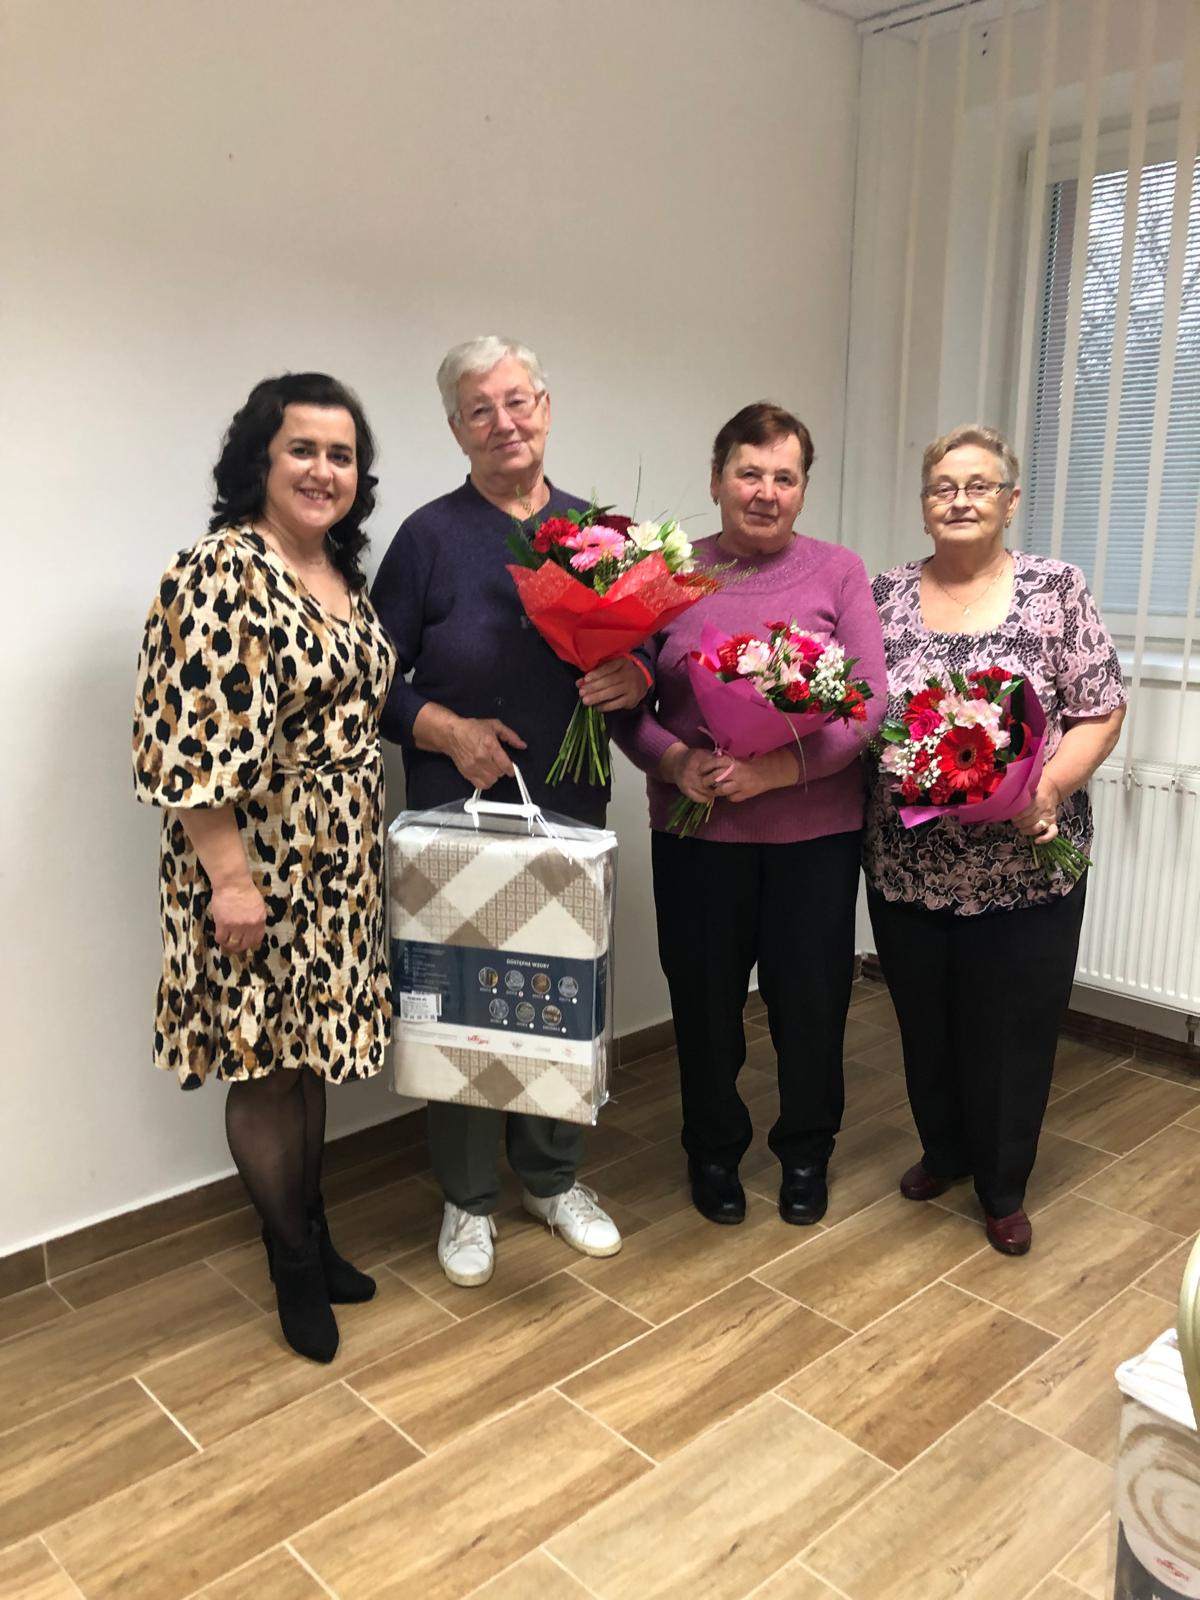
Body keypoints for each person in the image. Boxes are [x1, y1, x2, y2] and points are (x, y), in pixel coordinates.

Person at [132, 373, 396, 1361]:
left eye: (342, 454)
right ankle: (290, 1262)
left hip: (338, 864)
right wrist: (232, 881)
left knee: (306, 1051)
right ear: (261, 459)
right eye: (303, 449)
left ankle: (314, 1237)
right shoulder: (220, 572)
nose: (324, 470)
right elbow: (186, 744)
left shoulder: (338, 572)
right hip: (255, 863)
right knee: (263, 1062)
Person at [371, 334, 643, 1286]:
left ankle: (553, 1179)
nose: (503, 422)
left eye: (516, 400)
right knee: (461, 1004)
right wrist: (447, 730)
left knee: (560, 997)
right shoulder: (427, 538)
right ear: (456, 430)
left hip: (569, 808)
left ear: (546, 408)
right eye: (479, 409)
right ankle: (467, 1198)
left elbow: (645, 668)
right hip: (457, 816)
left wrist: (636, 672)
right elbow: (371, 681)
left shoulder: (600, 535)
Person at [613, 402, 886, 1228]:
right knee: (704, 1006)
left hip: (814, 839)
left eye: (784, 477)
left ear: (802, 489)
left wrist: (776, 770)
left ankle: (806, 1151)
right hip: (698, 836)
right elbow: (626, 703)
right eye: (749, 472)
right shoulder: (666, 575)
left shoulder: (840, 571)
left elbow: (868, 704)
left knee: (811, 1006)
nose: (766, 491)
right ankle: (712, 1148)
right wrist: (674, 761)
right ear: (716, 479)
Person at [864, 423, 1126, 1256]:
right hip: (908, 866)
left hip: (1026, 862)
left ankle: (1003, 1185)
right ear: (923, 506)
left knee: (1010, 1032)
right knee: (925, 1021)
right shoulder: (883, 594)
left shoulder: (1056, 588)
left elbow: (1100, 709)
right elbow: (862, 714)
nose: (960, 500)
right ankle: (944, 1151)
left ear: (1011, 501)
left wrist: (1047, 788)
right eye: (943, 487)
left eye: (979, 486)